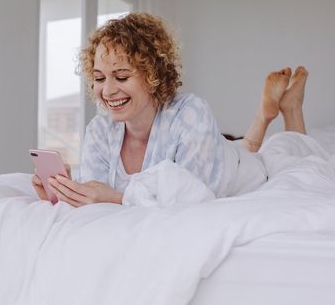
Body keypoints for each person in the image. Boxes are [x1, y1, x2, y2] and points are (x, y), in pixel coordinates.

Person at [32, 13, 309, 207]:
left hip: (239, 171)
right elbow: (97, 196)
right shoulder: (100, 131)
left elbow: (196, 198)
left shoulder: (190, 112)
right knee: (242, 145)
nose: (108, 91)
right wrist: (66, 194)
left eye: (122, 76)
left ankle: (289, 109)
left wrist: (118, 198)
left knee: (286, 152)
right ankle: (266, 114)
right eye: (100, 78)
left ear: (153, 75)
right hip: (214, 153)